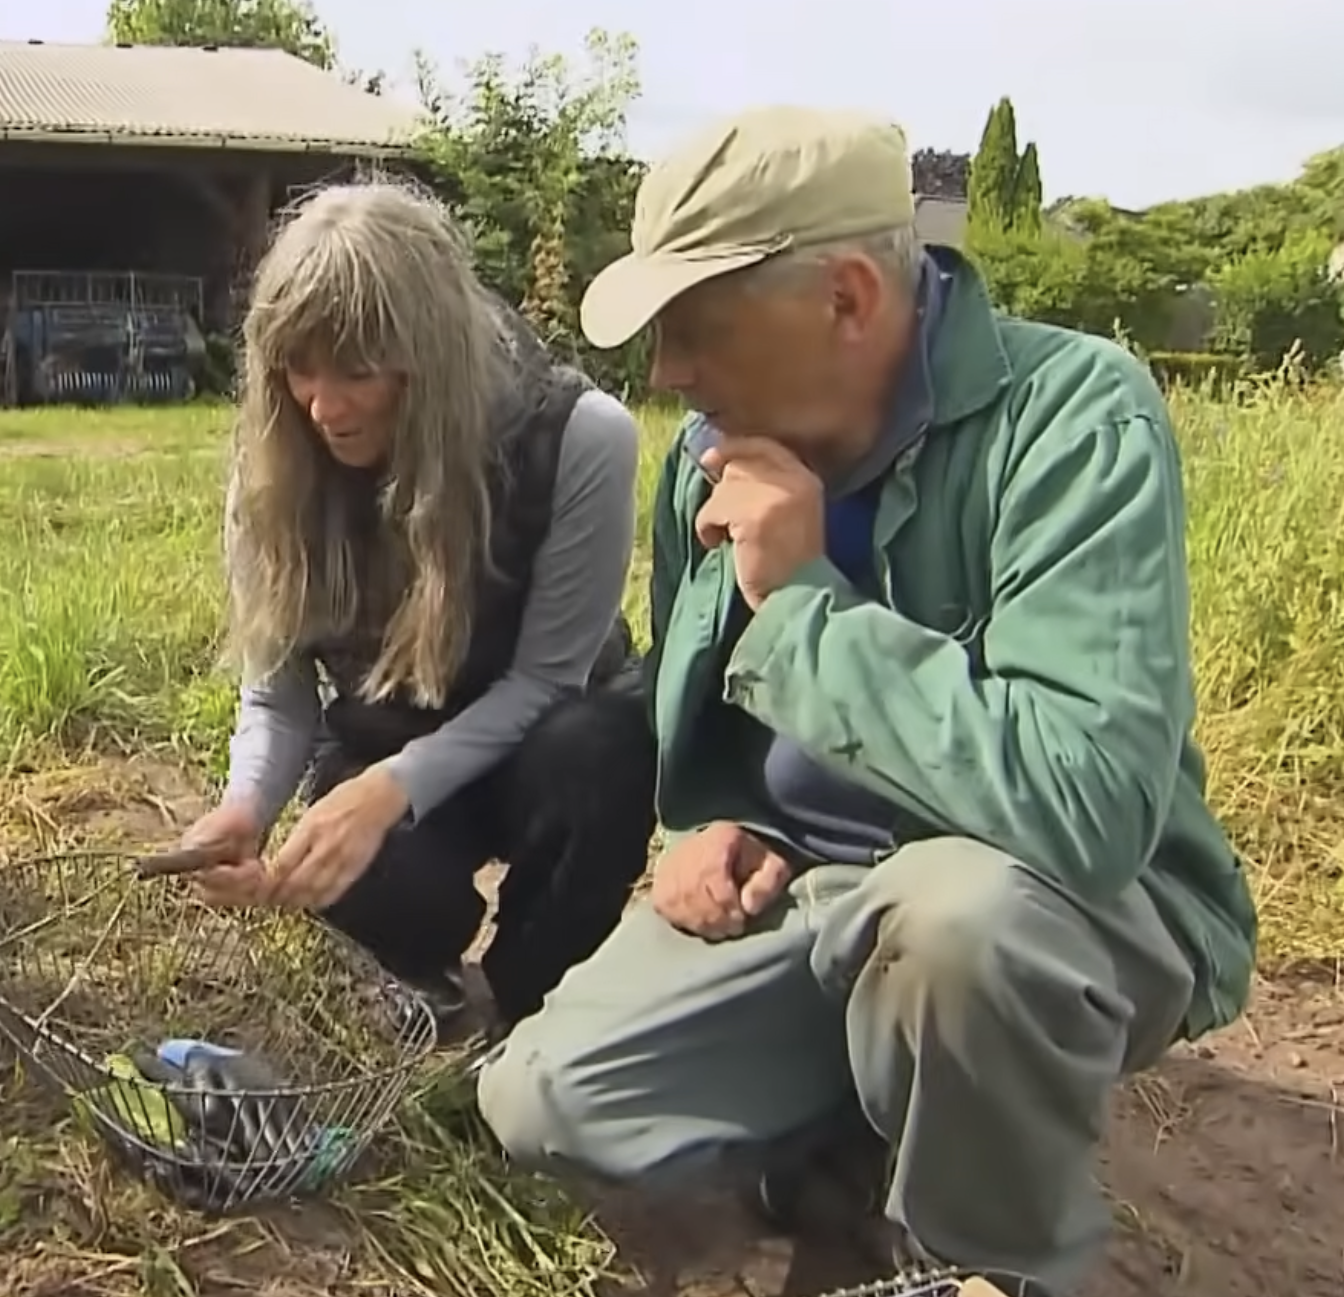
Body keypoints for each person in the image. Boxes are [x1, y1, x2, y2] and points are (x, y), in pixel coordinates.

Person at [473, 106, 1259, 1295]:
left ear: (845, 297)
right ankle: (863, 1126)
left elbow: (1088, 807)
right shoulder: (710, 454)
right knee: (543, 1099)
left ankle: (989, 1259)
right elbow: (708, 718)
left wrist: (801, 608)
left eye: (694, 329)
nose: (670, 371)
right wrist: (703, 826)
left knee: (953, 926)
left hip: (1048, 902)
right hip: (814, 890)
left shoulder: (1075, 420)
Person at [179, 180, 657, 1038]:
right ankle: (419, 965)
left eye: (360, 371)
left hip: (542, 734)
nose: (323, 405)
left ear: (431, 357)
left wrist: (391, 792)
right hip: (380, 734)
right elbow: (276, 693)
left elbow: (549, 678)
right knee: (366, 881)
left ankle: (531, 999)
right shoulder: (270, 469)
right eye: (299, 368)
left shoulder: (580, 437)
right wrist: (246, 806)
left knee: (601, 755)